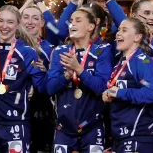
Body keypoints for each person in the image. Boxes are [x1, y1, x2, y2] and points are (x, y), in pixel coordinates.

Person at [0, 3, 47, 152]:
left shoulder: (27, 52)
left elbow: (43, 86)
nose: (4, 26)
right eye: (1, 21)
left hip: (15, 122)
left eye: (10, 22)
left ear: (18, 25)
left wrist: (48, 73)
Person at [47, 9, 113, 152]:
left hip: (93, 127)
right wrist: (67, 75)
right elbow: (50, 88)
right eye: (71, 21)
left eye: (78, 20)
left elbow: (102, 87)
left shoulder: (101, 51)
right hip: (63, 128)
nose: (72, 24)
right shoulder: (60, 51)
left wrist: (79, 70)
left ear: (90, 27)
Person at [103, 18, 153, 152]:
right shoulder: (119, 63)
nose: (118, 33)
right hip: (121, 135)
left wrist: (119, 93)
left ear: (137, 37)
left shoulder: (142, 62)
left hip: (139, 135)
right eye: (118, 30)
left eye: (124, 30)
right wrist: (109, 94)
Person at [20, 2, 54, 153]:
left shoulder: (49, 49)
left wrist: (47, 72)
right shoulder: (12, 45)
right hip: (15, 107)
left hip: (41, 109)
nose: (30, 22)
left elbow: (54, 80)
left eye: (35, 18)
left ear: (42, 22)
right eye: (25, 17)